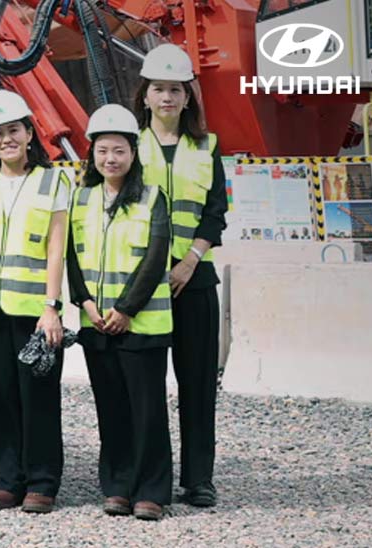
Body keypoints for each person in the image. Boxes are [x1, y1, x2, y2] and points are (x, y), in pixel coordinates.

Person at [0, 90, 72, 514]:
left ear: (30, 134)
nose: (6, 140)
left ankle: (42, 481)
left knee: (38, 397)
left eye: (14, 131)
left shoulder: (53, 180)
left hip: (34, 313)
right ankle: (7, 478)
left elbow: (56, 249)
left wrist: (51, 306)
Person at [132, 44, 229, 508]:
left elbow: (215, 214)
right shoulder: (128, 146)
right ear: (145, 96)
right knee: (146, 389)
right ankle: (152, 478)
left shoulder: (207, 147)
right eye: (158, 89)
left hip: (196, 282)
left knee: (197, 383)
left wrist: (191, 260)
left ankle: (198, 479)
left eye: (175, 89)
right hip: (143, 288)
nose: (167, 97)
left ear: (187, 97)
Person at [69, 104, 174, 521]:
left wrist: (126, 309)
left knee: (147, 411)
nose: (110, 159)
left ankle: (151, 490)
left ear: (133, 154)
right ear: (91, 154)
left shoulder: (152, 197)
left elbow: (155, 256)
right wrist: (87, 303)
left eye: (119, 151)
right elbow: (71, 257)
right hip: (96, 324)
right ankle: (116, 486)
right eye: (102, 151)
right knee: (110, 410)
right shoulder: (81, 198)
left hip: (141, 325)